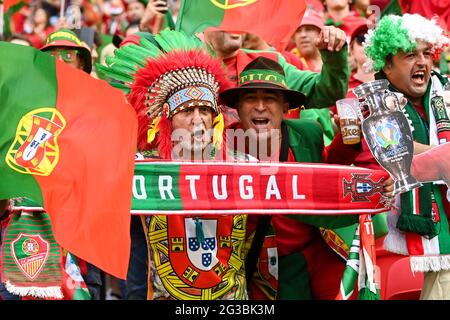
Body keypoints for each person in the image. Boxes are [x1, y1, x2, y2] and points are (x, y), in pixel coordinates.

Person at [100, 29, 259, 299]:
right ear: (168, 120)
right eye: (187, 111)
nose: (198, 120)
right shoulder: (144, 170)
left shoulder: (246, 167)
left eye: (205, 110)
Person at [219, 56, 394, 299]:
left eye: (269, 98)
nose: (260, 106)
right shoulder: (223, 147)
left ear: (284, 107)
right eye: (250, 98)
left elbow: (328, 172)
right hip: (258, 264)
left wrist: (347, 139)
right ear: (237, 108)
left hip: (316, 250)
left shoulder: (308, 132)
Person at [363, 13, 450, 300]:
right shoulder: (375, 104)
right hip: (422, 222)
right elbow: (400, 151)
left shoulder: (444, 93)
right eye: (410, 55)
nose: (423, 62)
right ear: (387, 66)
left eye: (427, 53)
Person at [204, 24, 350, 127]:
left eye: (240, 16)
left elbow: (327, 92)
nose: (236, 24)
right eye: (227, 17)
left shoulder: (269, 62)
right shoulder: (186, 65)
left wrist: (333, 55)